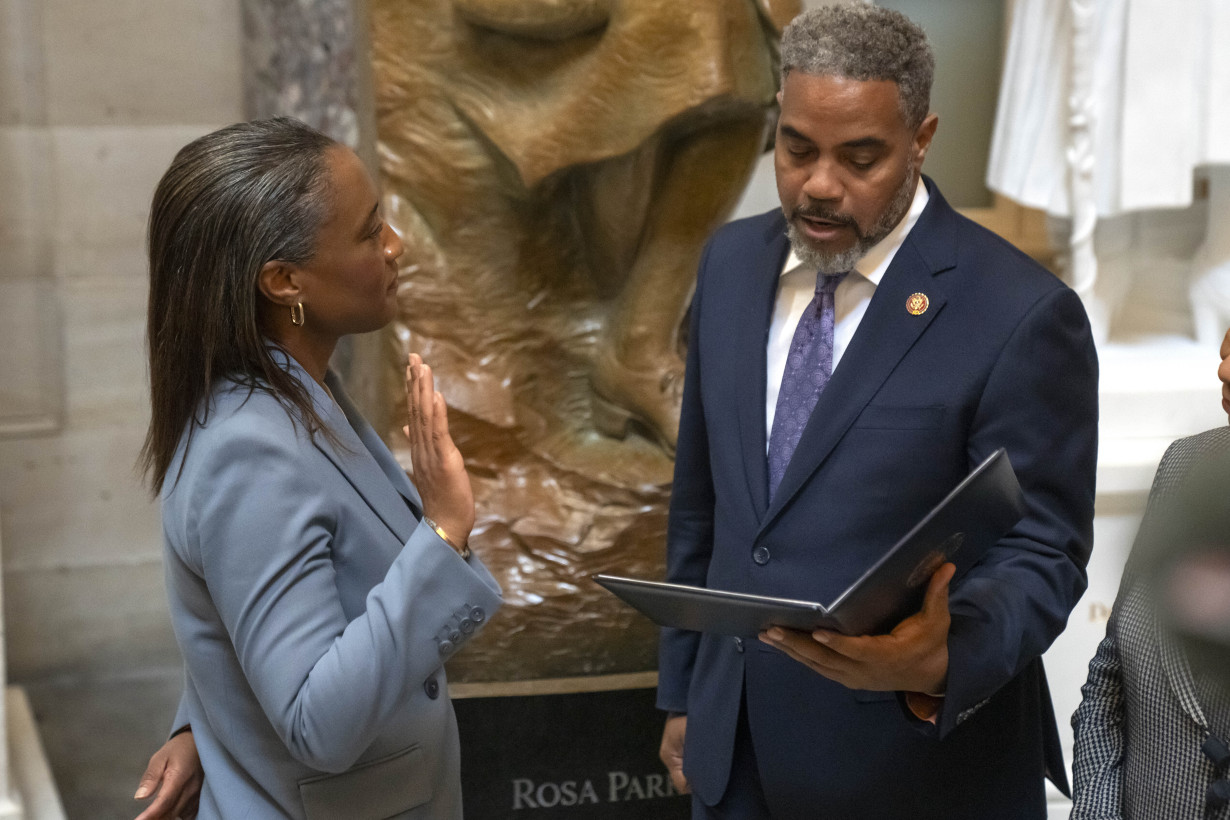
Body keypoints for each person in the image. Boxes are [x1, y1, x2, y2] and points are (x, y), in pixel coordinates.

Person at [656, 5, 1098, 819]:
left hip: (915, 771)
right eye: (797, 150)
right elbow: (705, 504)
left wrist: (943, 654)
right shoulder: (728, 264)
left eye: (860, 157)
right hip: (737, 755)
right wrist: (686, 694)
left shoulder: (1022, 313)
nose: (820, 184)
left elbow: (1046, 549)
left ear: (920, 139)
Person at [129, 117, 502, 819]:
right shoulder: (253, 448)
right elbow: (316, 722)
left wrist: (203, 720)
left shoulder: (293, 391)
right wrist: (445, 532)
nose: (396, 246)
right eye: (369, 232)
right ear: (282, 279)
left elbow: (246, 613)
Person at [1070, 327, 1230, 820]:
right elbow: (1107, 681)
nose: (1223, 370)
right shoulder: (1185, 466)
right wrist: (1098, 811)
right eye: (1228, 348)